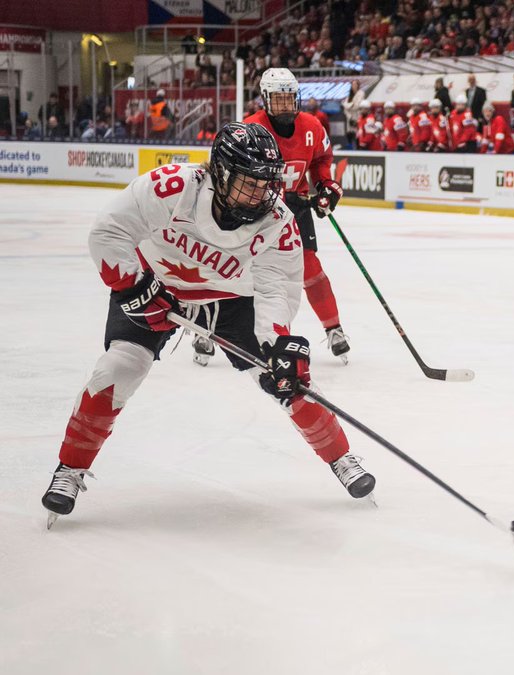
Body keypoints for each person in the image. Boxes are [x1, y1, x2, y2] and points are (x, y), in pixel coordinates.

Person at [40, 122, 376, 528]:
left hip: (231, 301)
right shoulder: (171, 188)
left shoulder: (278, 221)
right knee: (118, 369)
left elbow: (276, 288)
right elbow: (109, 231)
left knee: (287, 379)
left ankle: (341, 457)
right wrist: (133, 287)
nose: (261, 193)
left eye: (267, 183)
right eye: (250, 182)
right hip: (155, 288)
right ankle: (70, 468)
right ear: (220, 172)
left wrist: (277, 343)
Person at [239, 68, 350, 363]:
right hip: (256, 208)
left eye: (289, 98)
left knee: (310, 268)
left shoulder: (312, 126)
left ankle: (334, 329)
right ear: (265, 100)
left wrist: (326, 186)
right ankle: (210, 329)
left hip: (296, 207)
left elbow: (321, 160)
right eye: (278, 99)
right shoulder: (250, 129)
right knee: (236, 268)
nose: (285, 105)